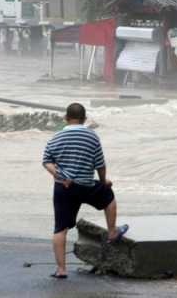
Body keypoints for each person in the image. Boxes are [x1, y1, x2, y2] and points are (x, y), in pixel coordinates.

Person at [42, 103, 128, 279]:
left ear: (66, 118)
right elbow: (100, 164)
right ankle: (112, 232)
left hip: (64, 187)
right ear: (84, 118)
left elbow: (46, 161)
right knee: (109, 197)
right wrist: (104, 182)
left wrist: (58, 175)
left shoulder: (57, 137)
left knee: (60, 229)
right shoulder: (92, 136)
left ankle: (61, 270)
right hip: (86, 186)